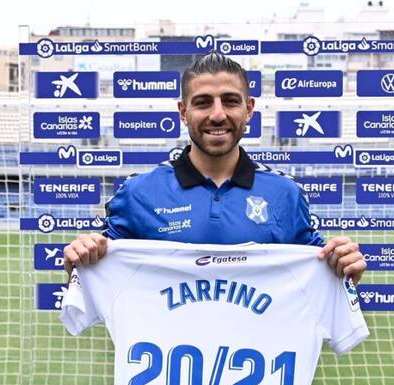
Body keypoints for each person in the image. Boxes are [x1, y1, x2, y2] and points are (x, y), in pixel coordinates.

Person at [64, 52, 366, 283]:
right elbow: (98, 276)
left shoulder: (285, 194)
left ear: (249, 109)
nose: (218, 115)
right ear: (183, 112)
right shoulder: (138, 193)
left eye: (230, 101)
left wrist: (345, 265)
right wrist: (80, 259)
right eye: (203, 102)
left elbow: (321, 277)